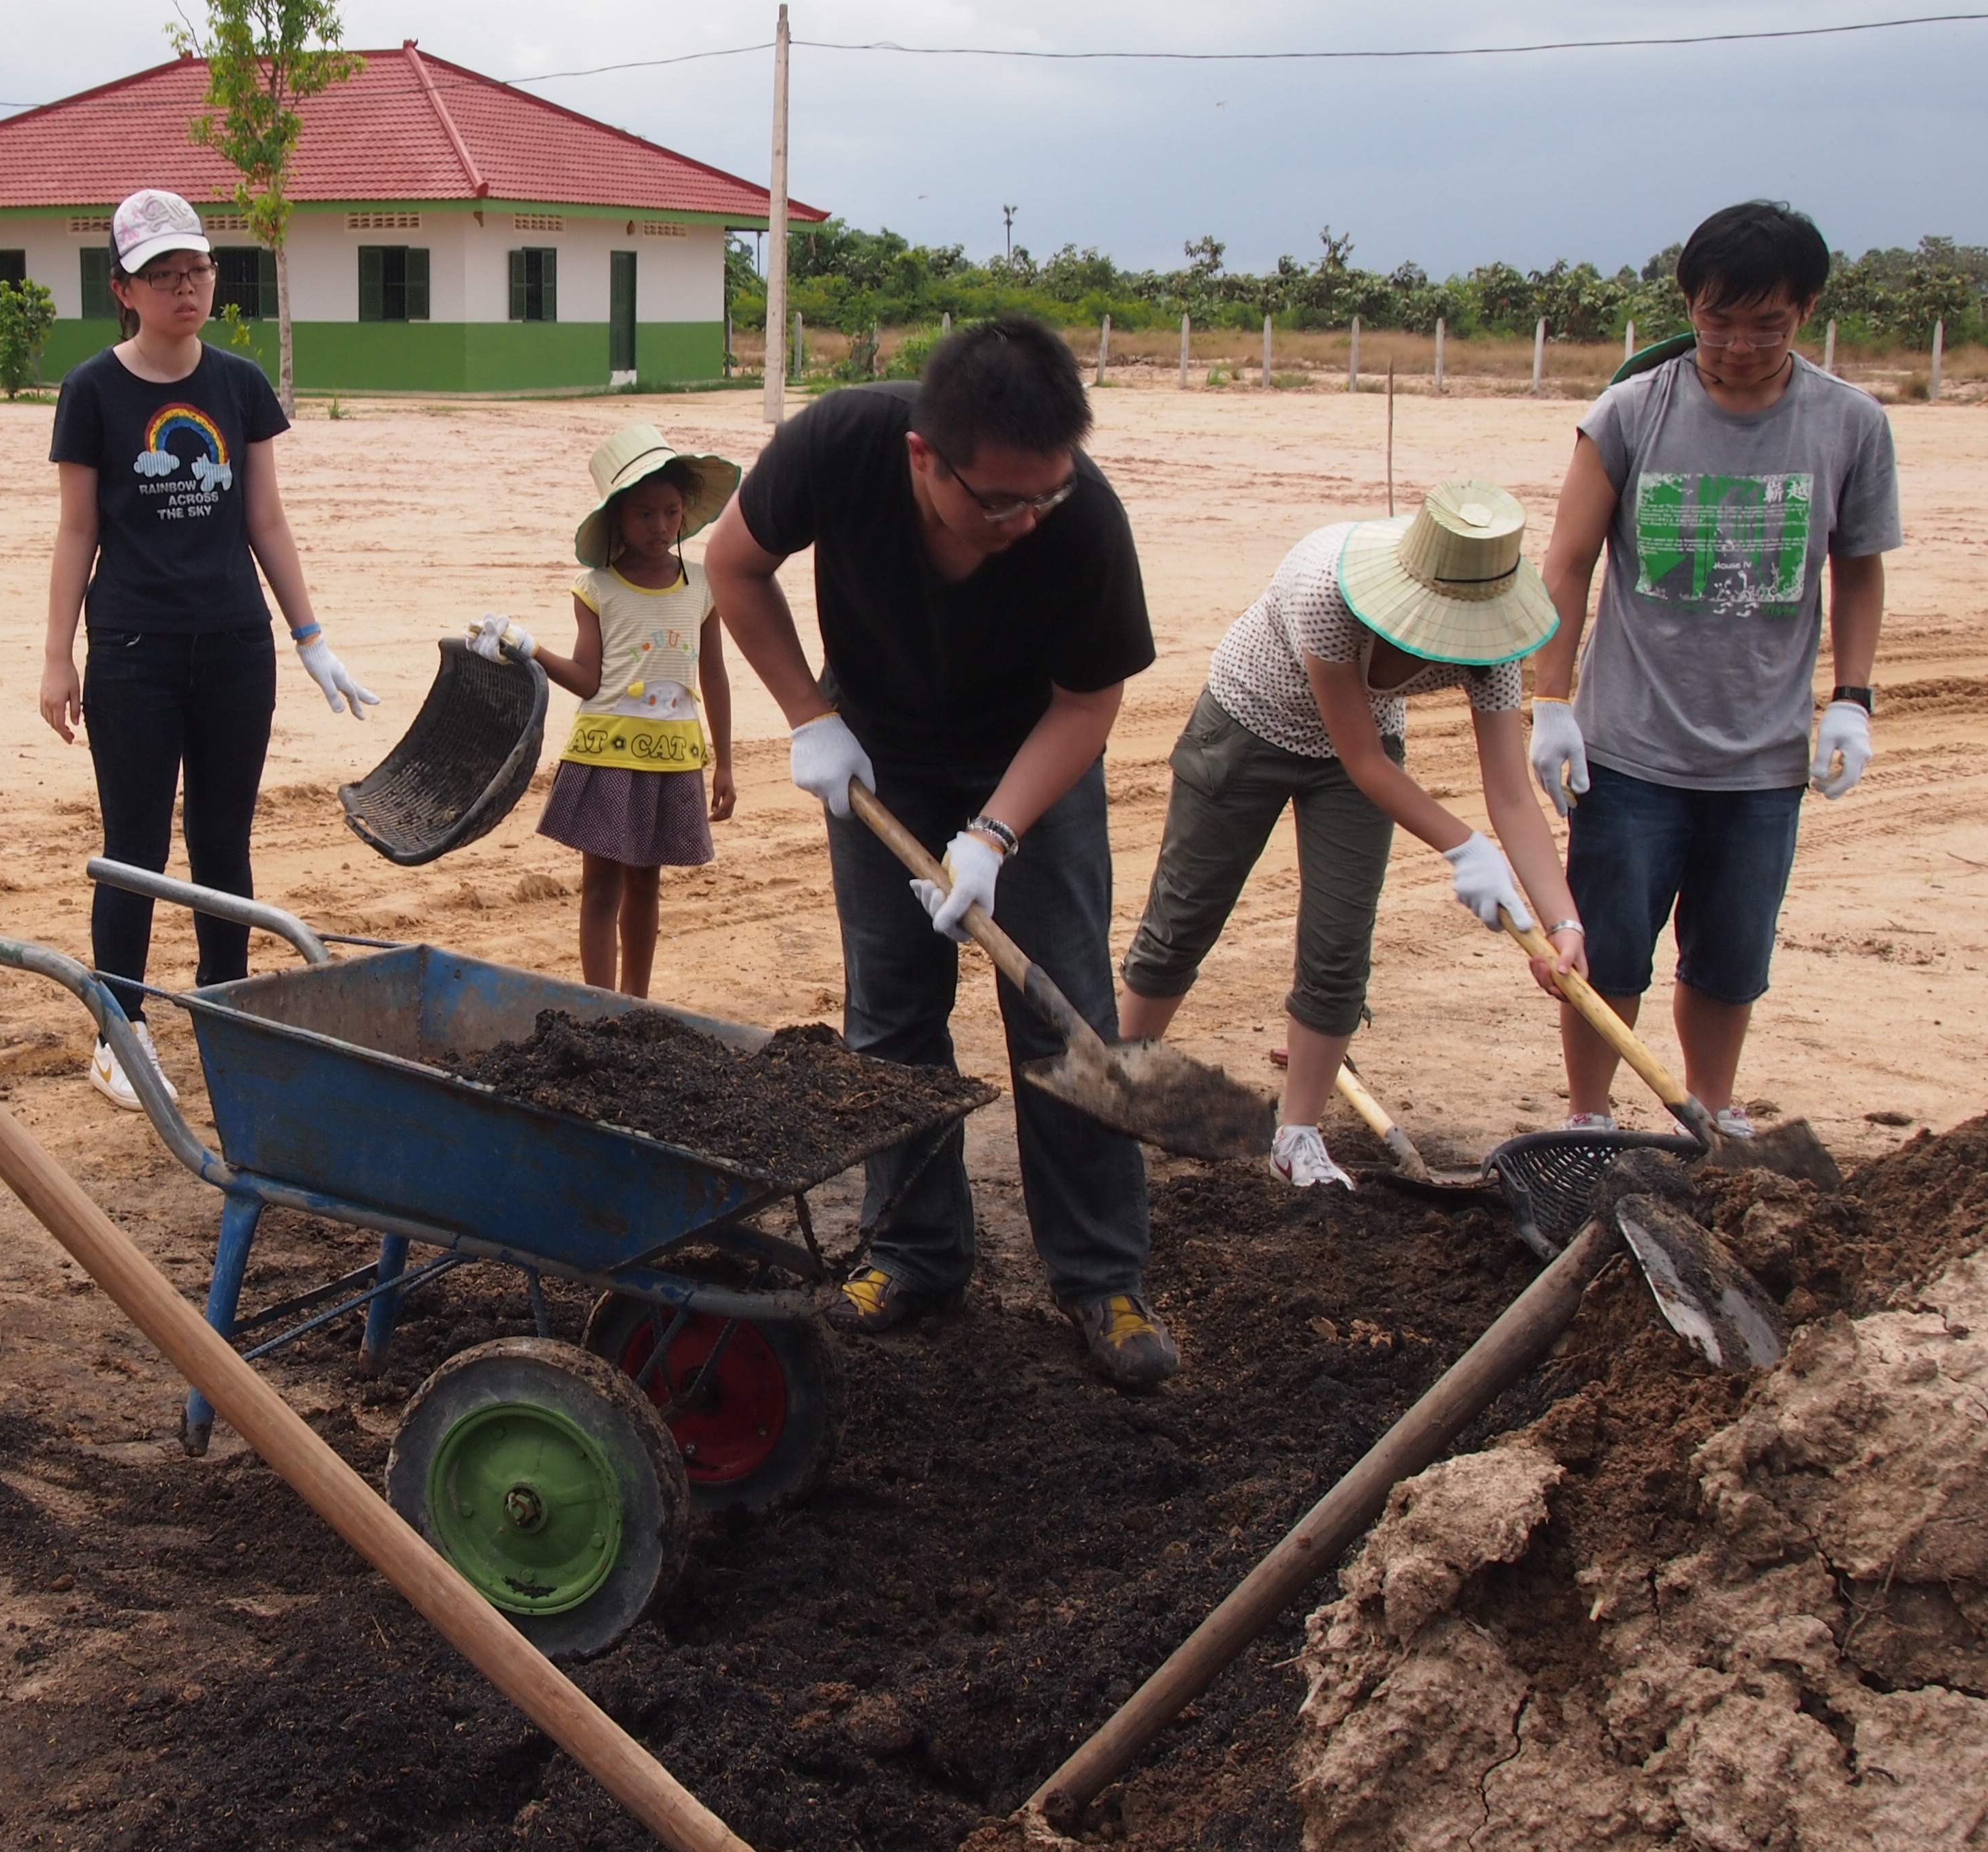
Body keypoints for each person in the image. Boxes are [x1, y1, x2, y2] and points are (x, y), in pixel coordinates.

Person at [707, 315, 1176, 1387]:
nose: (1025, 520)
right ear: (927, 457)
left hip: (1031, 770)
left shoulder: (1082, 520)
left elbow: (1088, 700)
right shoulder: (839, 446)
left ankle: (1101, 1276)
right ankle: (915, 1253)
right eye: (1001, 500)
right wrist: (807, 718)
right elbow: (733, 566)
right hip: (879, 756)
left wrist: (996, 834)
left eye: (1044, 495)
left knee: (1062, 1011)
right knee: (891, 1015)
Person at [1529, 200, 1897, 1133]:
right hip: (1630, 753)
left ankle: (1714, 1111)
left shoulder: (1849, 425)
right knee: (1610, 951)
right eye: (1717, 319)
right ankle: (1588, 1116)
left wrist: (1851, 700)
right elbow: (1567, 562)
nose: (1737, 343)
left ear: (1806, 310)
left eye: (1765, 323)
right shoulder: (1627, 413)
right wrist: (1551, 703)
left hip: (1765, 759)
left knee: (1731, 959)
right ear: (1690, 303)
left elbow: (1857, 570)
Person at [1115, 482, 1583, 1188]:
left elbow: (1511, 793)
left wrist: (1561, 919)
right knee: (1183, 918)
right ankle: (1120, 1083)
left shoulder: (1491, 646)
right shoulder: (1326, 591)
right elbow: (1364, 760)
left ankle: (1296, 1135)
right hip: (1249, 723)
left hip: (1359, 755)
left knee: (1339, 945)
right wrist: (1464, 846)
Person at [41, 187, 377, 1107]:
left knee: (223, 841)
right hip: (133, 647)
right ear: (124, 288)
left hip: (235, 644)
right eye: (161, 274)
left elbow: (265, 516)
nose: (184, 288)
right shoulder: (92, 392)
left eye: (196, 270)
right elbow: (77, 534)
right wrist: (56, 655)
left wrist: (310, 637)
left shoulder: (237, 385)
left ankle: (222, 1009)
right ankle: (122, 1026)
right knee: (137, 844)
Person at [468, 425, 739, 995]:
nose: (660, 526)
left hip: (673, 758)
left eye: (670, 512)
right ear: (617, 517)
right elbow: (588, 681)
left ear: (685, 514)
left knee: (646, 887)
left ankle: (635, 1005)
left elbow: (713, 676)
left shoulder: (703, 586)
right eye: (644, 514)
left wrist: (725, 763)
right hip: (606, 756)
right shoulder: (596, 589)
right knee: (600, 891)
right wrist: (528, 647)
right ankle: (600, 1007)